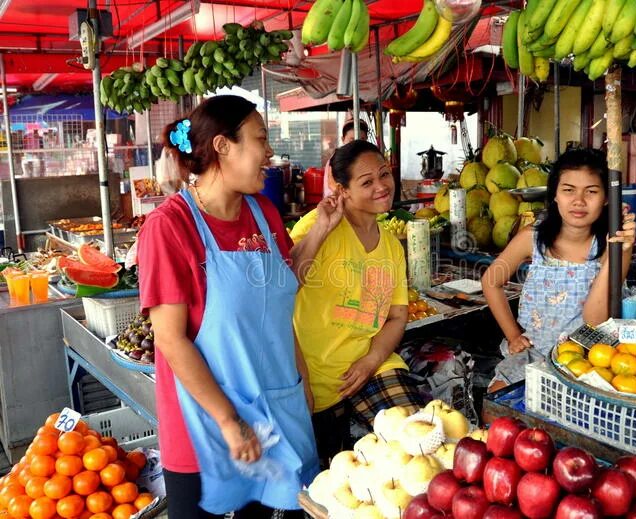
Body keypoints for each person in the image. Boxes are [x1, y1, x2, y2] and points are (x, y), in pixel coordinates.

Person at [137, 95, 318, 518]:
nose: (270, 152)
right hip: (210, 431)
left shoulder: (264, 213)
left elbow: (278, 303)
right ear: (222, 146)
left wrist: (303, 379)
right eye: (260, 139)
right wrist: (227, 420)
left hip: (278, 413)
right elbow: (169, 339)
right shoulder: (169, 227)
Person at [290, 140, 425, 464]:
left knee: (419, 443)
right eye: (367, 182)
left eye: (384, 175)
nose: (382, 186)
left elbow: (396, 316)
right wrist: (323, 226)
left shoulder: (392, 245)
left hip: (373, 365)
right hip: (317, 378)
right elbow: (284, 286)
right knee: (331, 480)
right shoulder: (316, 226)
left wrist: (372, 360)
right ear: (343, 190)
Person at [482, 148, 636, 392]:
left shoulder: (611, 245)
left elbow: (594, 320)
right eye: (568, 190)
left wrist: (620, 249)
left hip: (589, 357)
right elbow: (491, 281)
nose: (579, 201)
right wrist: (513, 336)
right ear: (555, 194)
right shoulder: (531, 238)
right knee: (496, 399)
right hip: (535, 351)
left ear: (606, 198)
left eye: (592, 192)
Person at [322, 119, 369, 198]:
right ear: (343, 139)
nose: (357, 144)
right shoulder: (336, 161)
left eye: (362, 140)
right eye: (352, 140)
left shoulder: (369, 158)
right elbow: (332, 188)